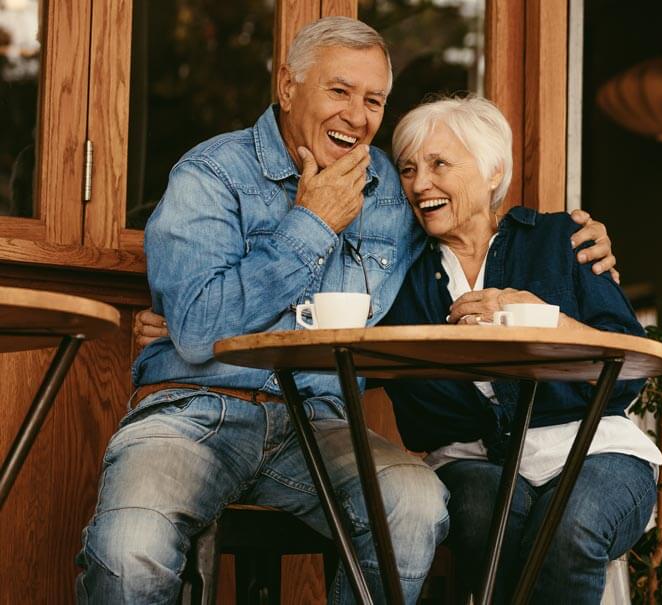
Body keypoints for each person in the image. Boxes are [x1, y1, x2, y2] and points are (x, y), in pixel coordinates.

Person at [79, 17, 618, 605]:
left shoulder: (392, 187)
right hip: (198, 411)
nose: (357, 117)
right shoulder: (211, 175)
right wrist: (311, 225)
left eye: (374, 101)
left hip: (322, 421)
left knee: (414, 508)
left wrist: (570, 241)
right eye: (339, 91)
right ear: (287, 87)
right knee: (130, 547)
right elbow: (197, 327)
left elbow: (466, 227)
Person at [378, 95, 662, 604]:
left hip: (594, 449)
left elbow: (630, 367)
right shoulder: (399, 276)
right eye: (407, 169)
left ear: (493, 172)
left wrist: (546, 320)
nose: (420, 184)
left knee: (569, 528)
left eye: (440, 163)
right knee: (490, 519)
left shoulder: (560, 239)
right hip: (469, 461)